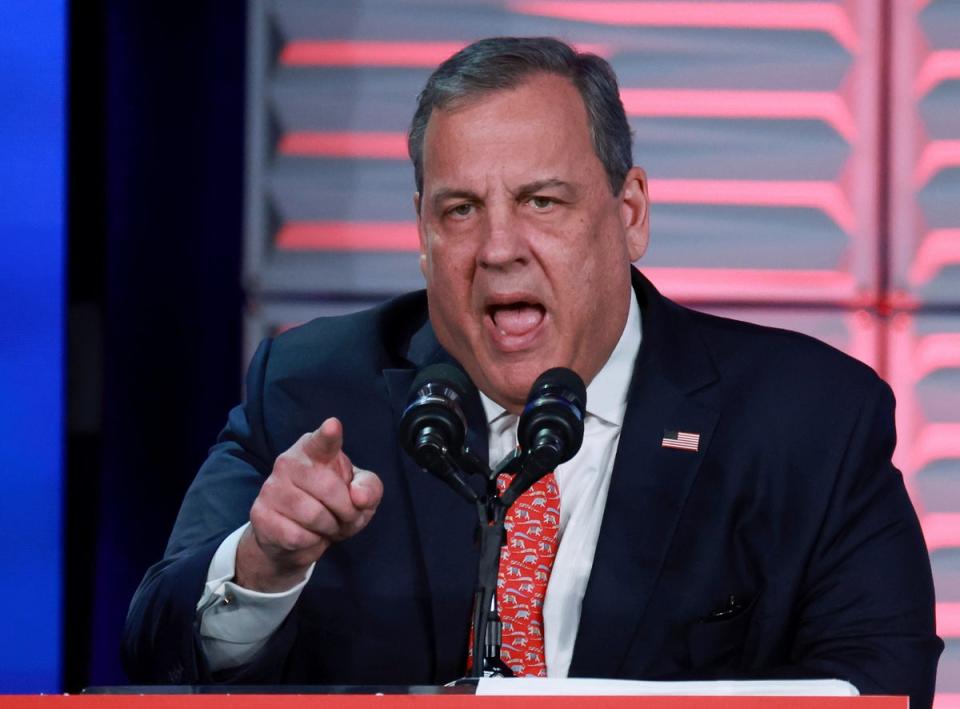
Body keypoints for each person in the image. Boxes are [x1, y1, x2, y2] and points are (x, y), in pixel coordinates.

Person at [123, 37, 941, 704]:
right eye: (460, 210)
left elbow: (882, 682)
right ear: (422, 231)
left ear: (628, 215)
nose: (499, 248)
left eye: (542, 201)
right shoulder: (313, 388)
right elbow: (154, 649)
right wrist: (263, 567)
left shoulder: (809, 420)